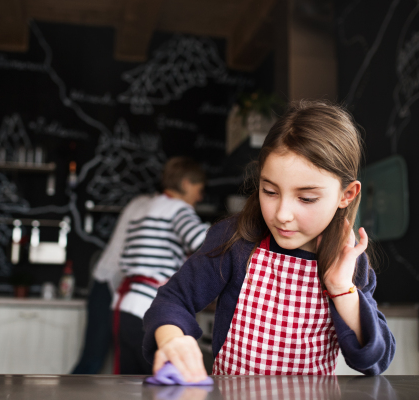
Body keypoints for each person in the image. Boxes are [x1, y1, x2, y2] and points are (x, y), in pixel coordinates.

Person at [143, 100, 396, 380]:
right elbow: (173, 299)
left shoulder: (349, 262)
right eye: (270, 191)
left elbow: (377, 360)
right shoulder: (235, 241)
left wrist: (341, 289)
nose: (282, 214)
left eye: (306, 198)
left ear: (346, 195)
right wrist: (172, 340)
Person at [113, 156, 210, 374]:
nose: (200, 196)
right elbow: (203, 242)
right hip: (149, 309)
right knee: (160, 385)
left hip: (125, 307)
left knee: (130, 385)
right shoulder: (179, 209)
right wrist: (231, 231)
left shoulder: (143, 208)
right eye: (199, 189)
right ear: (186, 184)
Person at [71, 194, 154, 374]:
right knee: (91, 362)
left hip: (122, 291)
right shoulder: (146, 205)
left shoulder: (141, 204)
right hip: (109, 285)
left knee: (128, 369)